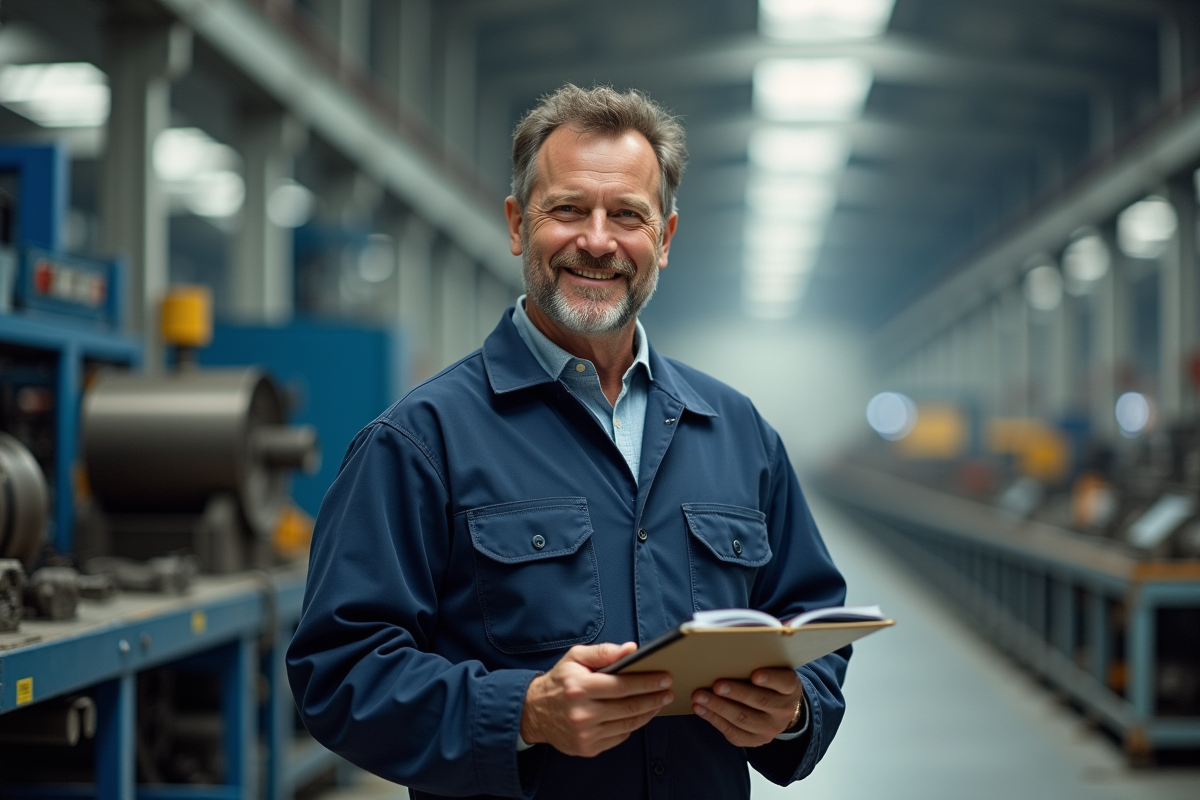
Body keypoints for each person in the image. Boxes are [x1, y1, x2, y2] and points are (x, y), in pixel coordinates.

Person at [287, 84, 850, 800]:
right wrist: (520, 713)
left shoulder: (739, 432)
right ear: (519, 225)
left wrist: (794, 708)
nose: (597, 240)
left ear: (665, 240)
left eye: (627, 215)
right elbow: (339, 673)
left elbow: (810, 616)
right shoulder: (421, 441)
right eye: (567, 209)